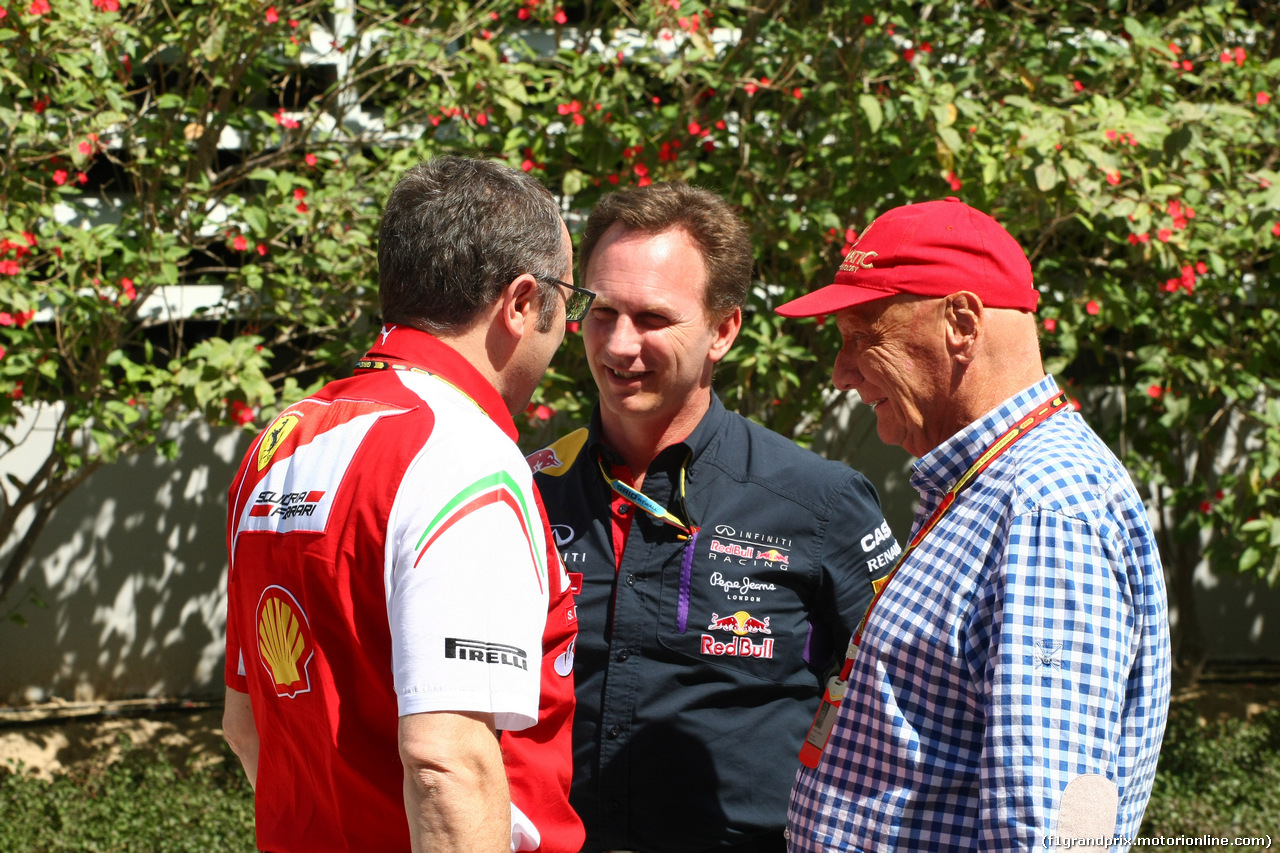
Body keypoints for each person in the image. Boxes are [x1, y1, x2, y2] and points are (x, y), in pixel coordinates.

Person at [777, 197, 1172, 852]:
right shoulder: (988, 482)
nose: (841, 372)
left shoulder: (1048, 506)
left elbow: (1050, 831)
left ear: (961, 322)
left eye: (859, 336)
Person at [221, 156, 587, 853]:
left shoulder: (283, 439)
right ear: (520, 302)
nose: (569, 327)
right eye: (571, 299)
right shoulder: (463, 453)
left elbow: (248, 723)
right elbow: (445, 762)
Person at [528, 182, 901, 853]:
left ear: (723, 329)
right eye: (603, 311)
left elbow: (896, 717)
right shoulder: (525, 492)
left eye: (651, 319)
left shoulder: (821, 502)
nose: (618, 345)